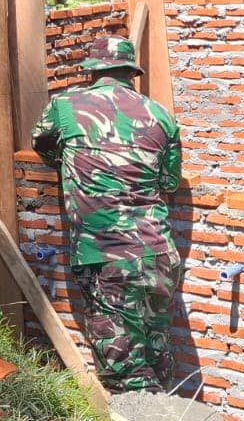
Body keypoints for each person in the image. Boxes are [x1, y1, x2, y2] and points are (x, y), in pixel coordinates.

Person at [32, 34, 182, 392]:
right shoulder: (162, 116)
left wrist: (76, 164)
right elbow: (169, 182)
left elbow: (42, 144)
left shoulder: (65, 106)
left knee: (122, 369)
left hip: (107, 256)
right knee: (156, 350)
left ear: (93, 71)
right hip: (160, 254)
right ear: (131, 72)